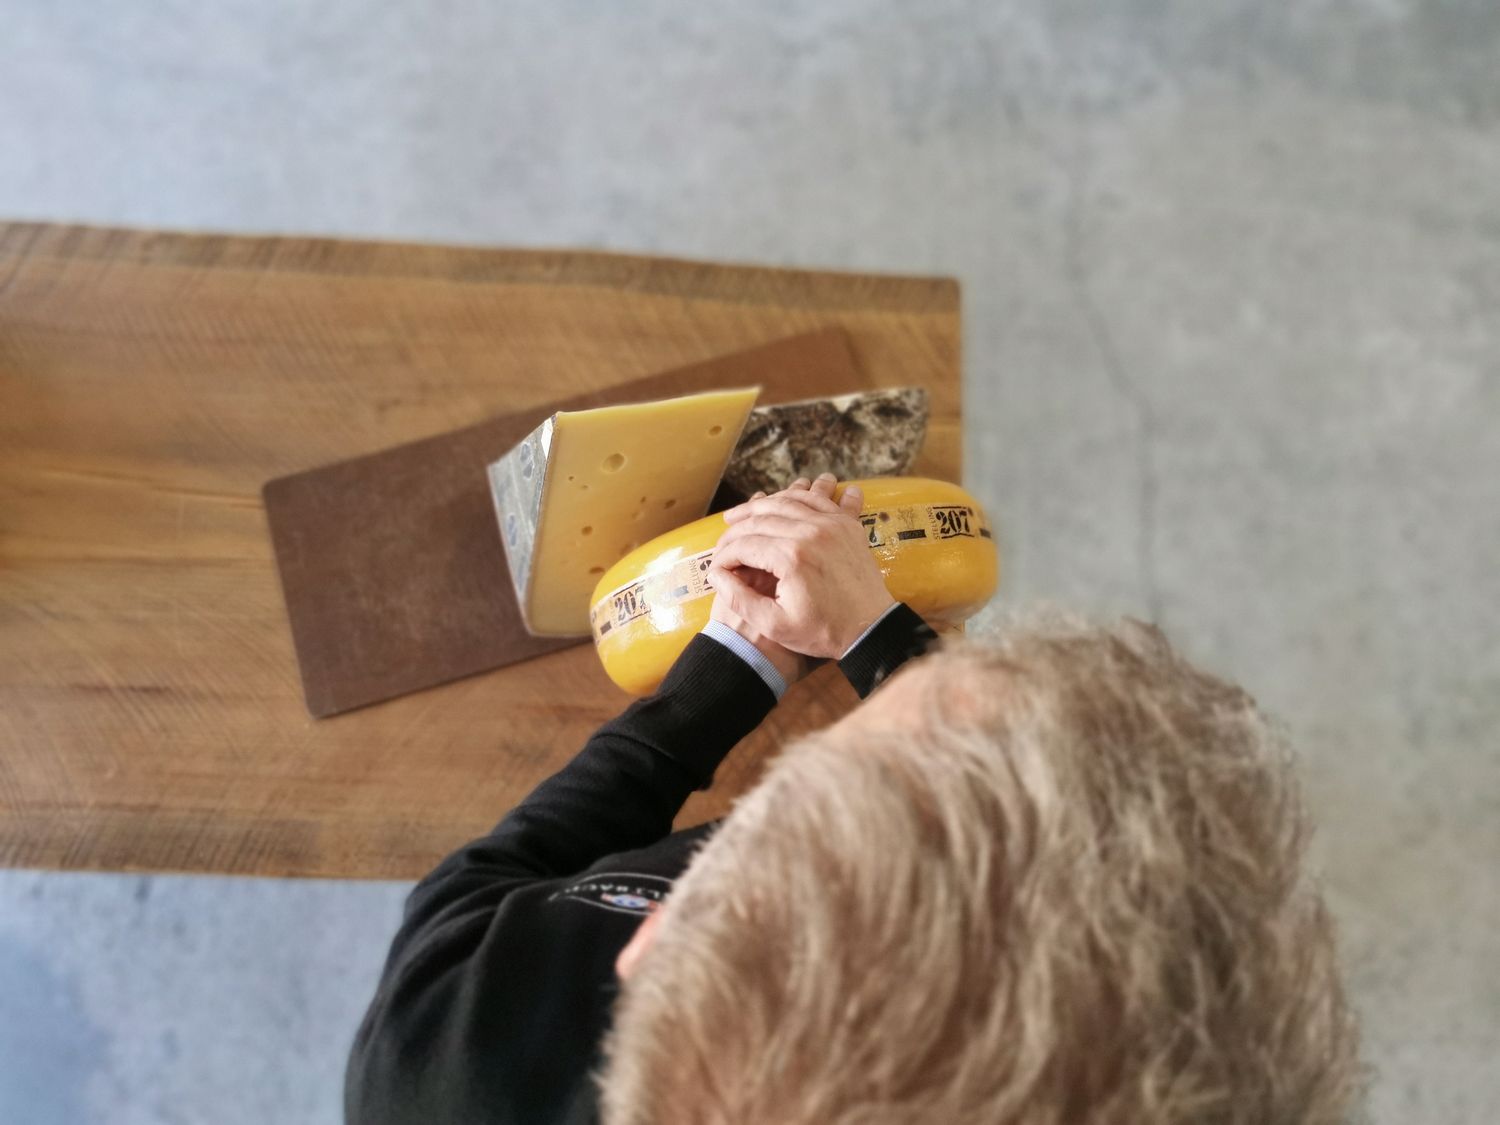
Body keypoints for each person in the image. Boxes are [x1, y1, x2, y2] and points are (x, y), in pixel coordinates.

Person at [345, 474, 1360, 1125]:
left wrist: (735, 669)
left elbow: (496, 875)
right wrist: (880, 639)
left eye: (821, 783)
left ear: (657, 940)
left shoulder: (438, 1068)